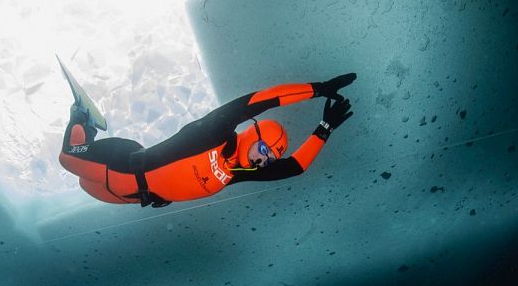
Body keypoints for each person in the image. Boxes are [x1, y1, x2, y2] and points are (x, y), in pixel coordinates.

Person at [59, 73, 356, 207]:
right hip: (120, 163)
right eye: (264, 149)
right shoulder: (216, 132)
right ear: (254, 135)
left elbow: (295, 167)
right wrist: (317, 89)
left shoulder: (240, 172)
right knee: (68, 158)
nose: (264, 160)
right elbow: (259, 101)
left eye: (270, 158)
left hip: (129, 196)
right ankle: (82, 119)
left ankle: (87, 138)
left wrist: (325, 127)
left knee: (84, 186)